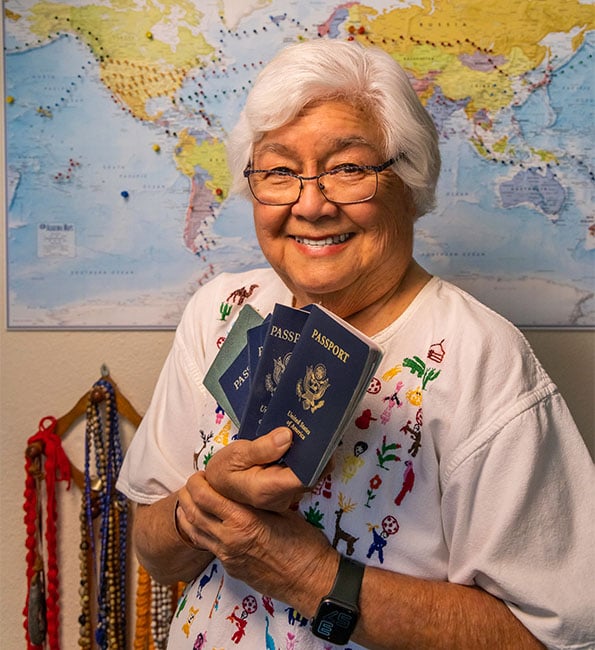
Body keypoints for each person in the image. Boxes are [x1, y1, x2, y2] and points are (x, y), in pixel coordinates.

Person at [116, 39, 594, 649]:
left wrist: (312, 576)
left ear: (410, 178)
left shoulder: (483, 359)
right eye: (281, 171)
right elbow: (157, 553)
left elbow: (555, 637)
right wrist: (200, 508)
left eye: (347, 168)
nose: (311, 205)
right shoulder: (221, 311)